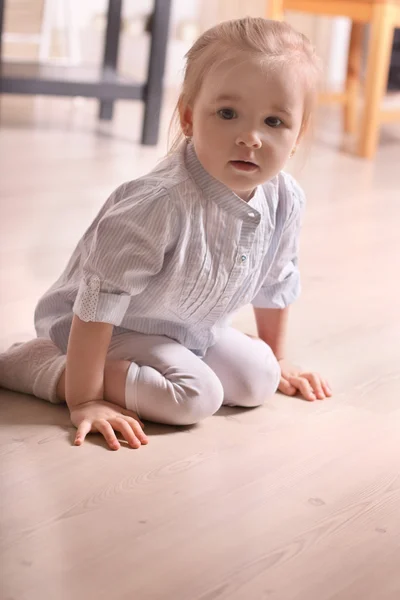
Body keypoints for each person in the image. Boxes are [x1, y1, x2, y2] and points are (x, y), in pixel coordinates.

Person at [0, 17, 332, 451]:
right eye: (228, 114)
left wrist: (279, 357)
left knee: (260, 379)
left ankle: (207, 363)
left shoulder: (286, 198)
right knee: (195, 398)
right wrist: (85, 399)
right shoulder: (159, 202)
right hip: (108, 326)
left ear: (297, 134)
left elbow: (276, 280)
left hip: (190, 326)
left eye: (274, 121)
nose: (250, 137)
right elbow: (99, 303)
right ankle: (36, 364)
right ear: (190, 117)